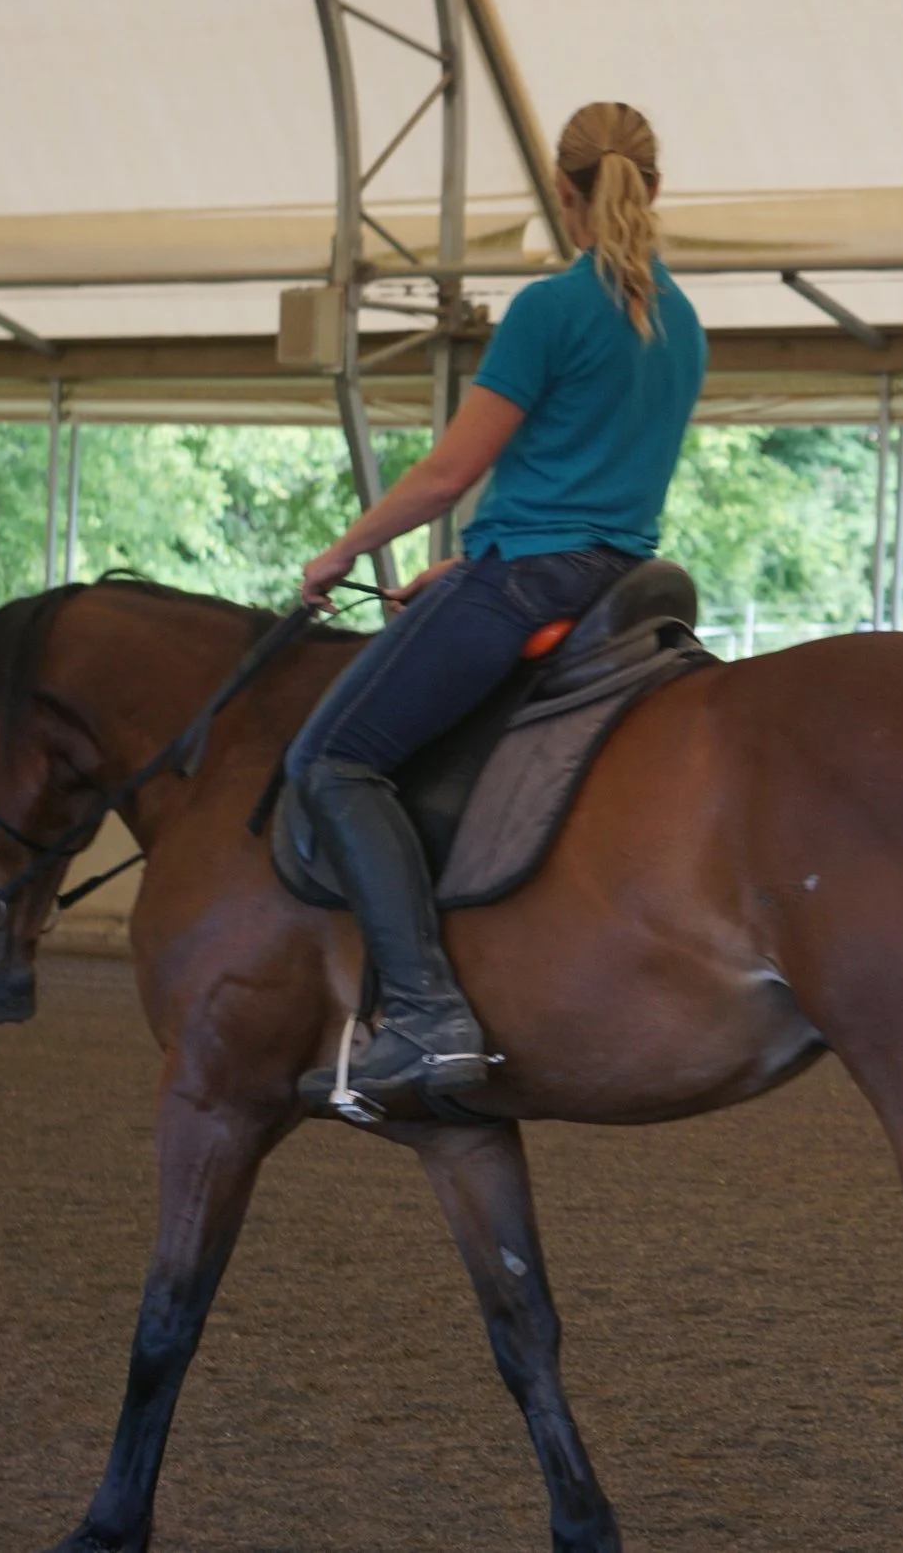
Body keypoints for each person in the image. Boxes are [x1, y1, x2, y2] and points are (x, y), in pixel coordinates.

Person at [287, 102, 705, 1109]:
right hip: (612, 578)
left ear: (563, 194)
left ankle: (425, 1014)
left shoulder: (550, 309)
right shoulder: (682, 321)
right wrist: (465, 564)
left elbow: (448, 472)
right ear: (654, 187)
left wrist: (342, 550)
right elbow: (589, 483)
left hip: (530, 579)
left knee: (330, 761)